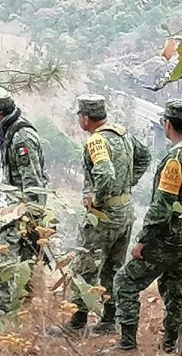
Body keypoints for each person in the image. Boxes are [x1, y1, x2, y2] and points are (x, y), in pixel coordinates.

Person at [63, 94, 151, 334]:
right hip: (125, 211)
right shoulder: (123, 135)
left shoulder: (97, 142)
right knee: (113, 267)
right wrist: (128, 182)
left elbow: (105, 174)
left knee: (85, 266)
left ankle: (77, 321)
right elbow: (145, 157)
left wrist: (96, 199)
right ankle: (109, 320)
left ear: (85, 119)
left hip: (104, 215)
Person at [113, 99, 182, 352]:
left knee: (125, 282)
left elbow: (163, 204)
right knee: (175, 290)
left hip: (166, 238)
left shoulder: (177, 158)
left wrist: (143, 239)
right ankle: (171, 344)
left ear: (167, 124)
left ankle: (127, 343)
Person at [0, 88, 48, 318]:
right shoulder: (11, 130)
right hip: (19, 205)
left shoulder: (21, 137)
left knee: (3, 249)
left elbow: (32, 179)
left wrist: (30, 213)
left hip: (25, 206)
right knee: (28, 253)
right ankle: (27, 299)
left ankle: (1, 304)